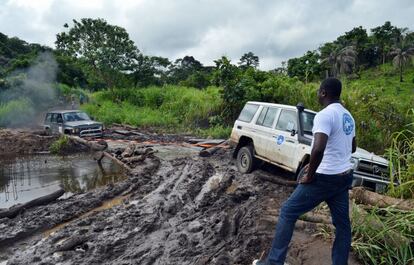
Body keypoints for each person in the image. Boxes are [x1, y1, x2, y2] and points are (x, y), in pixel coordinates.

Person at [254, 77, 356, 265]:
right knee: (342, 225)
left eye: (319, 91)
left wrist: (309, 175)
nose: (318, 94)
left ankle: (274, 262)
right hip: (344, 178)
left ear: (324, 93)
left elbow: (318, 148)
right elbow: (353, 147)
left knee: (287, 212)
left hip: (324, 178)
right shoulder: (348, 116)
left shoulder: (324, 115)